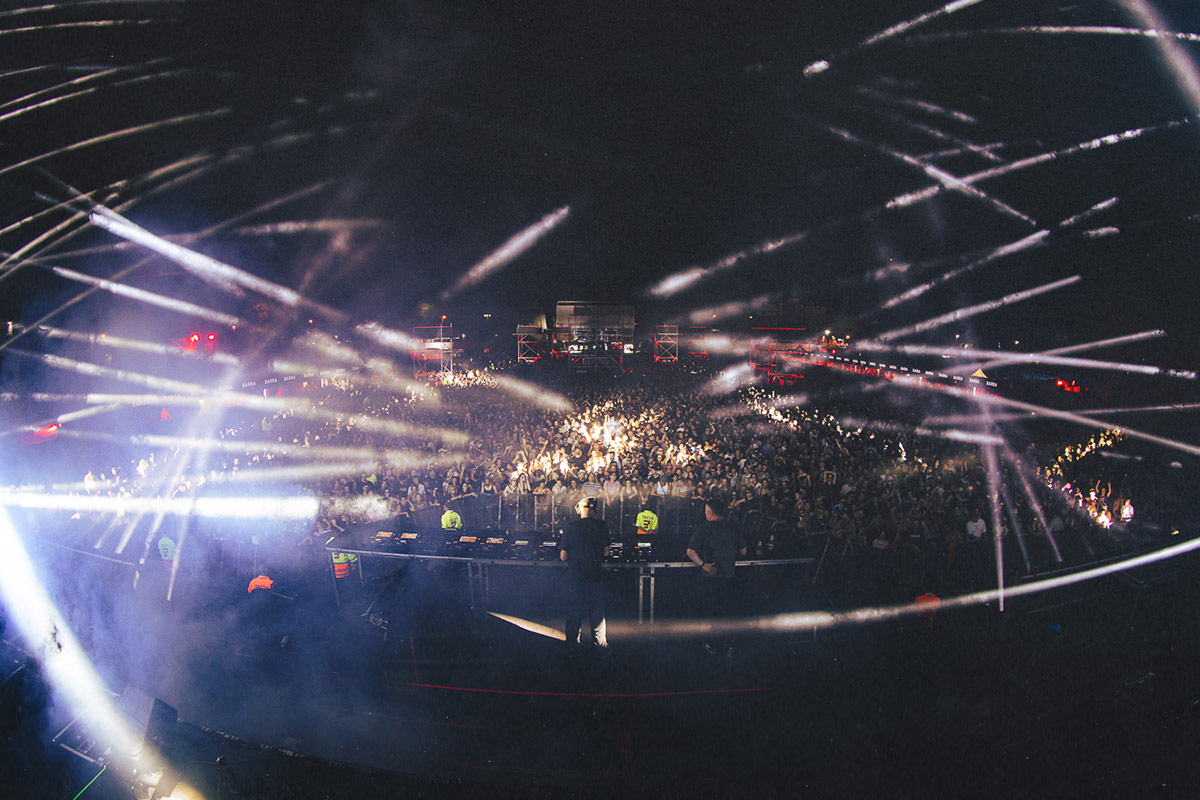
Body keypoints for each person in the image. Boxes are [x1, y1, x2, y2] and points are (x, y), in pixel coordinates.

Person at [686, 497, 746, 657]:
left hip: (710, 577)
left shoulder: (703, 528)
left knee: (711, 610)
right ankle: (728, 644)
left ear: (710, 513)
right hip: (729, 576)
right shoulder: (734, 527)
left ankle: (710, 644)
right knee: (727, 610)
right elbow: (743, 551)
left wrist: (703, 565)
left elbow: (690, 552)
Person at [559, 496, 610, 657]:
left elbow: (563, 556)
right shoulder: (602, 526)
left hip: (576, 577)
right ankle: (600, 646)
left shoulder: (570, 527)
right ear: (594, 510)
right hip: (594, 575)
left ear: (580, 509)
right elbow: (606, 552)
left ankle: (572, 647)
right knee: (597, 613)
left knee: (574, 611)